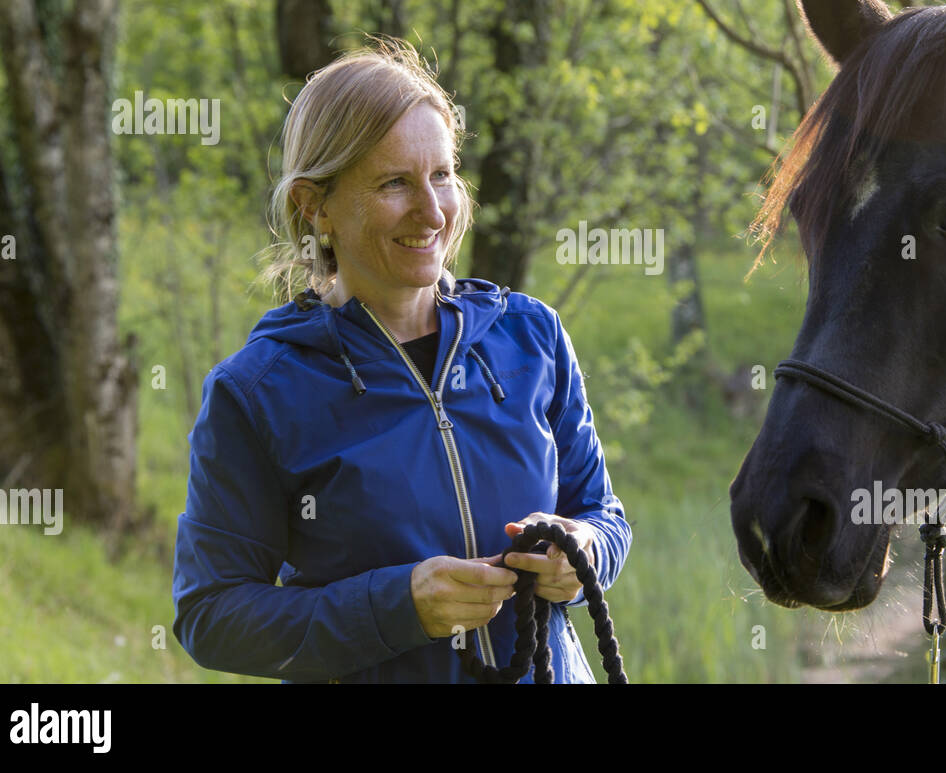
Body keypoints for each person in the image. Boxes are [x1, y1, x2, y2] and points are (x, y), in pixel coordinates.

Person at [171, 40, 631, 682]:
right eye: (394, 183)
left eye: (441, 174)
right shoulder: (258, 392)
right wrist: (398, 606)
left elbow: (603, 515)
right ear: (315, 206)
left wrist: (580, 556)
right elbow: (211, 616)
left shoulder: (531, 337)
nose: (433, 210)